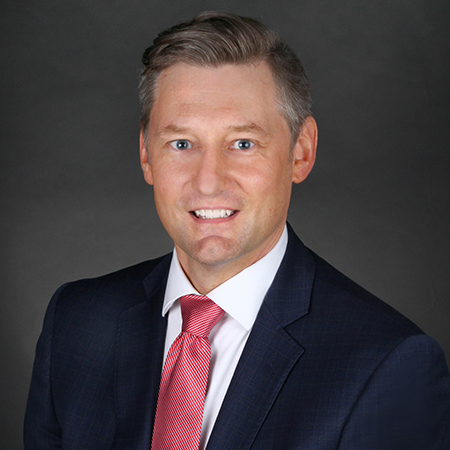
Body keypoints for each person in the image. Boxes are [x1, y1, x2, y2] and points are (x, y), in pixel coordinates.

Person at [24, 12, 450, 450]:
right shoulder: (76, 323)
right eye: (182, 143)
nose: (209, 181)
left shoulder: (387, 366)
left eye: (243, 144)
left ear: (301, 152)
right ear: (146, 154)